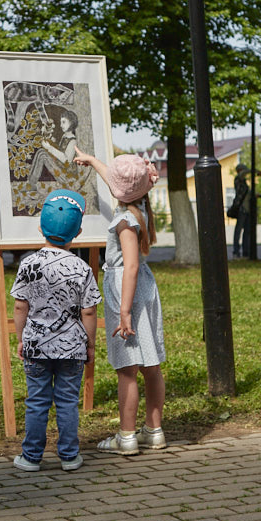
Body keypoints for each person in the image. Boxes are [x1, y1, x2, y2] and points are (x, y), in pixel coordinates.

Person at [73, 149, 167, 455]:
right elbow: (121, 183)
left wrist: (124, 312)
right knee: (151, 366)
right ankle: (154, 431)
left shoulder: (126, 220)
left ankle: (126, 436)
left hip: (126, 290)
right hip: (144, 289)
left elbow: (131, 266)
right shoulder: (141, 205)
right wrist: (91, 161)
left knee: (128, 368)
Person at [10, 189, 102, 473]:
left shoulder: (28, 264)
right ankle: (69, 456)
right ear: (79, 232)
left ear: (40, 227)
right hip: (72, 349)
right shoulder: (83, 269)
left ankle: (31, 457)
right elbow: (88, 311)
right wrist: (90, 345)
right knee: (66, 402)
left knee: (37, 400)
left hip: (36, 346)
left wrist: (21, 338)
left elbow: (19, 307)